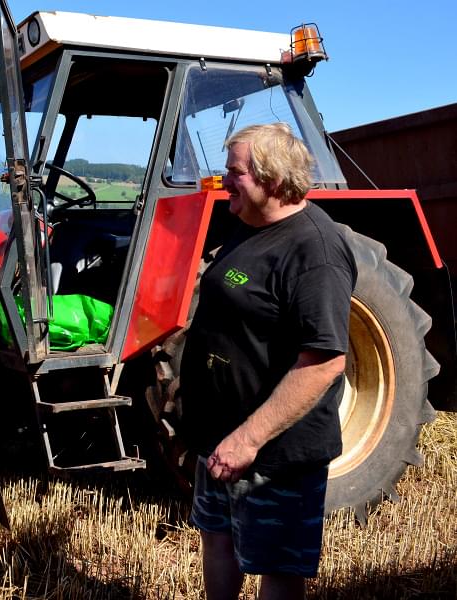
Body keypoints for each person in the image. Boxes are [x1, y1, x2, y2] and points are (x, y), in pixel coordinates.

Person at [178, 123, 357, 599]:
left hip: (271, 451)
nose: (224, 180)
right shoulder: (248, 225)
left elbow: (323, 361)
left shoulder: (315, 251)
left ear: (272, 180)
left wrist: (247, 439)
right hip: (221, 437)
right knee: (218, 540)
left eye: (234, 172)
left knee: (275, 566)